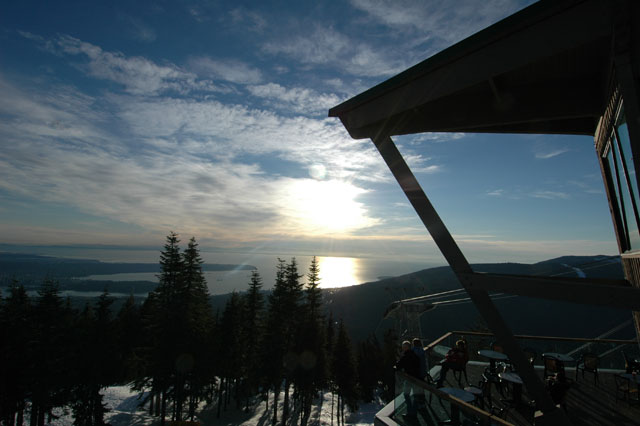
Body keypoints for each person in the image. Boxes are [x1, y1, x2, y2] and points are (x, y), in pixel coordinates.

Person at [395, 340, 420, 419]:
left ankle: (410, 413)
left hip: (409, 378)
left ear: (406, 348)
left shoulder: (405, 357)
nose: (403, 349)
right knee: (416, 396)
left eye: (404, 347)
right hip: (417, 378)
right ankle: (414, 413)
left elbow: (398, 366)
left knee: (406, 394)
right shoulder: (415, 355)